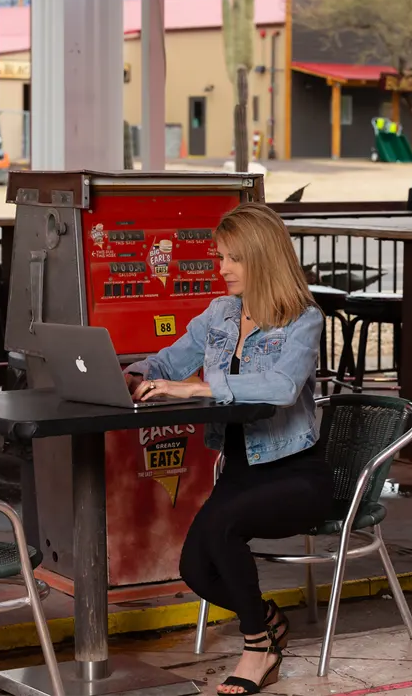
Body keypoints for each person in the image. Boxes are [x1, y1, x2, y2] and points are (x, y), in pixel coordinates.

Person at [125, 202, 334, 695]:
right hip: (240, 475)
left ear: (263, 257)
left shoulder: (303, 319)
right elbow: (168, 362)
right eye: (220, 257)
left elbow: (282, 387)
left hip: (295, 476)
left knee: (223, 530)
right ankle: (268, 620)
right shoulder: (219, 313)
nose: (222, 269)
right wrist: (133, 375)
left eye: (233, 258)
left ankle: (258, 649)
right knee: (195, 570)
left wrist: (202, 386)